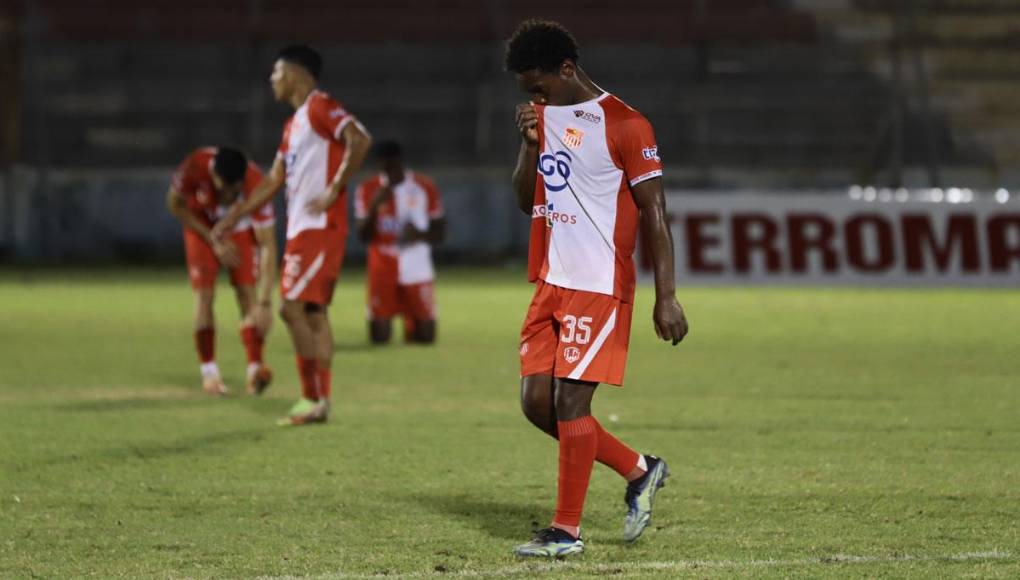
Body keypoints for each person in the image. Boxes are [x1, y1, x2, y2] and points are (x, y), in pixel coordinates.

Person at [505, 20, 690, 557]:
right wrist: (528, 144)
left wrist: (667, 295)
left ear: (567, 69)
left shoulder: (627, 124)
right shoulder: (543, 117)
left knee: (570, 401)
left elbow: (655, 212)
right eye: (528, 92)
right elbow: (525, 200)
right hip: (550, 282)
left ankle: (565, 533)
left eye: (540, 87)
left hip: (598, 283)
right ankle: (640, 469)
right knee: (537, 403)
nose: (535, 98)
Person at [213, 45, 372, 426]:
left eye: (277, 72)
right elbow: (272, 181)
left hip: (319, 227)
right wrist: (232, 217)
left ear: (297, 74)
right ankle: (321, 399)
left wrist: (334, 188)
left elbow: (360, 139)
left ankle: (311, 397)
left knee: (291, 308)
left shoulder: (319, 106)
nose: (272, 80)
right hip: (304, 228)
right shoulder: (293, 125)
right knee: (314, 313)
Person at [165, 146, 276, 396]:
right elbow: (174, 203)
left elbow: (268, 244)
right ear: (212, 174)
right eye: (222, 187)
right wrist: (212, 240)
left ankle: (255, 369)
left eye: (233, 190)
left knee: (247, 294)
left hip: (239, 228)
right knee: (204, 296)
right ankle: (209, 373)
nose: (227, 194)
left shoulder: (256, 184)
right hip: (201, 228)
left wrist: (266, 301)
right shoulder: (195, 165)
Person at [354, 141, 445, 345]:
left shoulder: (424, 187)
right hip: (382, 265)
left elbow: (440, 232)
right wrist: (373, 208)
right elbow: (362, 236)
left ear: (400, 162)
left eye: (391, 165)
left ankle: (412, 324)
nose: (388, 171)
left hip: (417, 266)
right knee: (379, 337)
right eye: (383, 166)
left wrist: (419, 234)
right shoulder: (368, 189)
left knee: (425, 338)